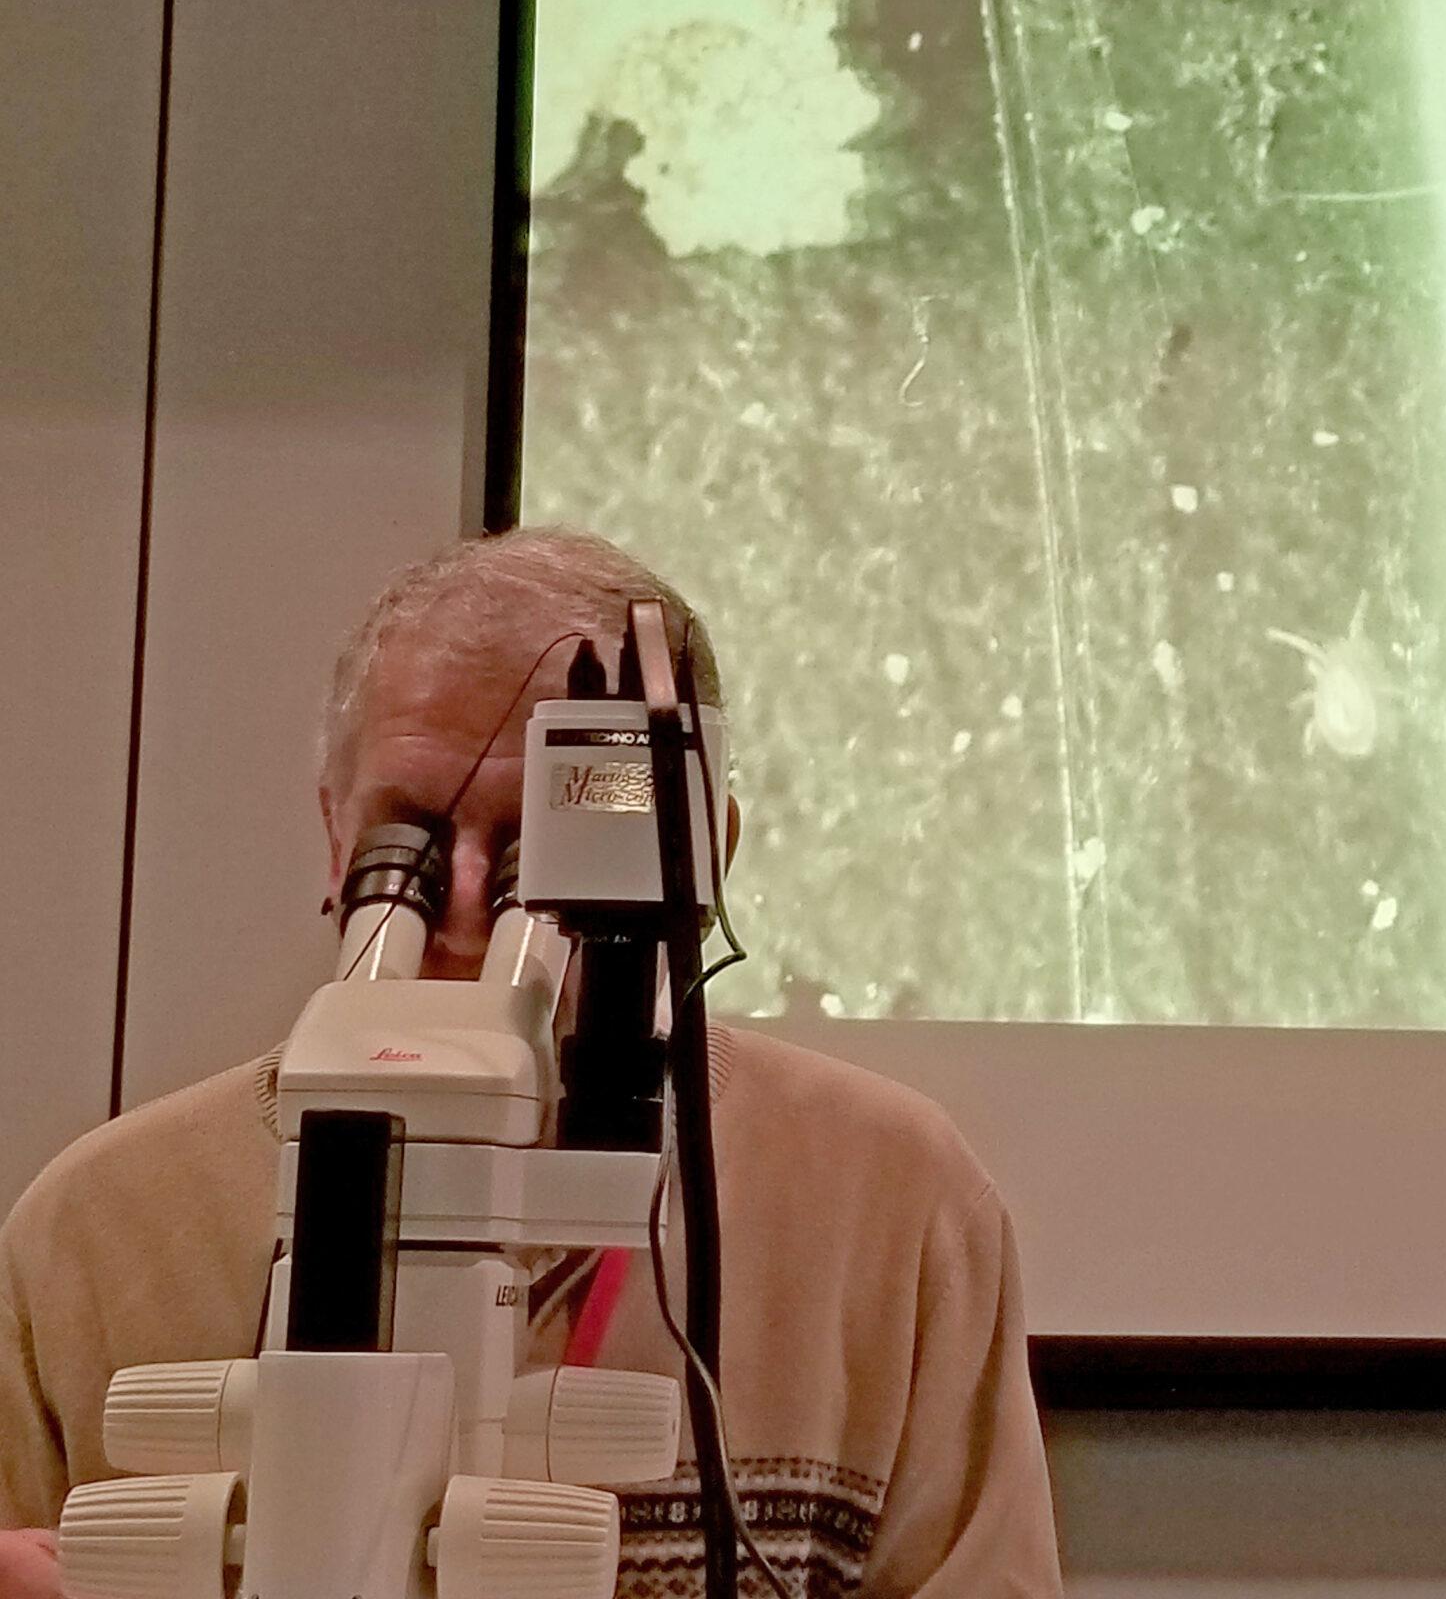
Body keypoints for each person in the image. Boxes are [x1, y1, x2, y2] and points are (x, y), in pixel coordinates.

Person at [0, 528, 1063, 1599]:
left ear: (697, 861)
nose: (465, 902)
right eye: (410, 835)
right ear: (334, 836)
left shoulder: (894, 1203)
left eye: (528, 846)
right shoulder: (100, 1229)